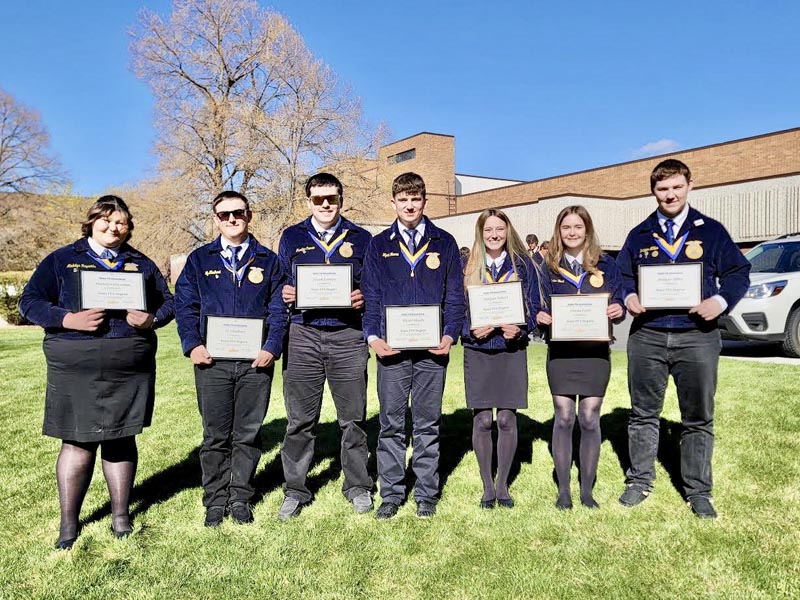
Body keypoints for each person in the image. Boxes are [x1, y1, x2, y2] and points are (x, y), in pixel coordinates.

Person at [19, 195, 174, 549]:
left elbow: (169, 302)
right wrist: (67, 319)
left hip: (129, 366)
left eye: (121, 222)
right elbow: (29, 302)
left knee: (121, 438)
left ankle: (121, 516)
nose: (113, 227)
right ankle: (69, 526)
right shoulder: (62, 260)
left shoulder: (140, 263)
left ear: (129, 227)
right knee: (77, 441)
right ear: (90, 222)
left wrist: (152, 318)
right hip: (76, 365)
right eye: (106, 220)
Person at [616, 159, 750, 519]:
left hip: (697, 336)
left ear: (690, 185)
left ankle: (698, 491)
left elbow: (739, 272)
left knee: (698, 416)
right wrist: (628, 297)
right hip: (648, 335)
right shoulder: (640, 234)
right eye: (662, 189)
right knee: (643, 414)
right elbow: (622, 276)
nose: (670, 194)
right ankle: (640, 481)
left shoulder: (711, 231)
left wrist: (719, 302)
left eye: (676, 187)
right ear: (653, 191)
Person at [175, 190, 287, 527]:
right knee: (215, 435)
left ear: (249, 215)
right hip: (212, 362)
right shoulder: (200, 260)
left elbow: (279, 310)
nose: (232, 219)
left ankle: (240, 497)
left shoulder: (268, 260)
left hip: (256, 363)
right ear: (215, 219)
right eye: (224, 215)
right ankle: (214, 499)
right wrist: (192, 345)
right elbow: (185, 306)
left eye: (238, 212)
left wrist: (271, 347)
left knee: (248, 434)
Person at [362, 172, 465, 519]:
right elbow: (372, 296)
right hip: (391, 351)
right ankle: (391, 493)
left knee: (427, 423)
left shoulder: (445, 242)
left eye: (415, 199)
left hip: (432, 352)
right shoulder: (378, 245)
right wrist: (373, 338)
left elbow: (454, 297)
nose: (409, 205)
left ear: (424, 201)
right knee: (390, 424)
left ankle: (425, 493)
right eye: (403, 199)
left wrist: (450, 334)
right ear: (393, 203)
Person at [276, 173, 373, 520]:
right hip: (303, 335)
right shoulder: (292, 237)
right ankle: (296, 489)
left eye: (332, 197)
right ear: (308, 202)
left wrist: (363, 298)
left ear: (341, 199)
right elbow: (282, 283)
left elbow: (372, 288)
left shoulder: (362, 238)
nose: (326, 204)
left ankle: (358, 486)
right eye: (318, 199)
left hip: (348, 335)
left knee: (354, 419)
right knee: (300, 421)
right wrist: (287, 293)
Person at [535, 206, 625, 510]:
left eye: (578, 226)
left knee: (589, 417)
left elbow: (621, 297)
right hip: (561, 353)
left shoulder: (606, 265)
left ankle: (587, 489)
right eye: (566, 227)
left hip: (595, 353)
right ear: (558, 232)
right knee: (563, 417)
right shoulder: (548, 267)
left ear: (587, 229)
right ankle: (564, 490)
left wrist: (619, 309)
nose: (572, 232)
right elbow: (537, 303)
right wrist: (540, 314)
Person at [462, 209, 540, 509]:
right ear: (480, 233)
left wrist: (521, 328)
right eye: (488, 229)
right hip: (478, 350)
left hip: (510, 350)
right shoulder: (467, 266)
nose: (494, 235)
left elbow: (536, 307)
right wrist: (468, 329)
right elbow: (456, 307)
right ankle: (486, 486)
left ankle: (503, 486)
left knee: (507, 418)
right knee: (482, 419)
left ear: (508, 231)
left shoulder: (523, 264)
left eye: (500, 229)